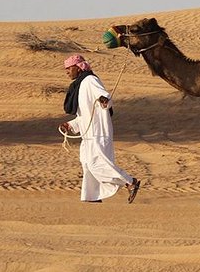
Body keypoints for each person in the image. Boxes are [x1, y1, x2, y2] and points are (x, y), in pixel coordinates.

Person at [59, 54, 140, 203]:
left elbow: (104, 96)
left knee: (96, 164)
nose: (67, 72)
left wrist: (104, 100)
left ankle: (129, 182)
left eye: (69, 68)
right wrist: (71, 125)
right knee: (87, 164)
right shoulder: (80, 85)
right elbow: (85, 114)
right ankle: (92, 196)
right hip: (88, 134)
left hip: (98, 132)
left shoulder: (90, 80)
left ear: (78, 67)